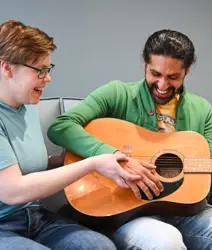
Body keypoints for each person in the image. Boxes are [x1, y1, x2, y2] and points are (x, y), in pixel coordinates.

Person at [47, 29, 212, 250]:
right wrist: (116, 157)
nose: (161, 84)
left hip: (186, 211)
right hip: (127, 211)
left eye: (172, 77)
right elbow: (61, 126)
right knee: (164, 240)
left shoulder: (202, 109)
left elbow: (205, 174)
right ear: (144, 65)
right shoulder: (117, 94)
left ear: (187, 71)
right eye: (155, 73)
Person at [0, 20, 145, 250]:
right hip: (3, 226)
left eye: (49, 69)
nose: (48, 78)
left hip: (37, 217)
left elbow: (22, 165)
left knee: (100, 247)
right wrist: (92, 164)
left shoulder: (26, 105)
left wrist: (62, 161)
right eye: (40, 71)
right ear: (7, 68)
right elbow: (12, 190)